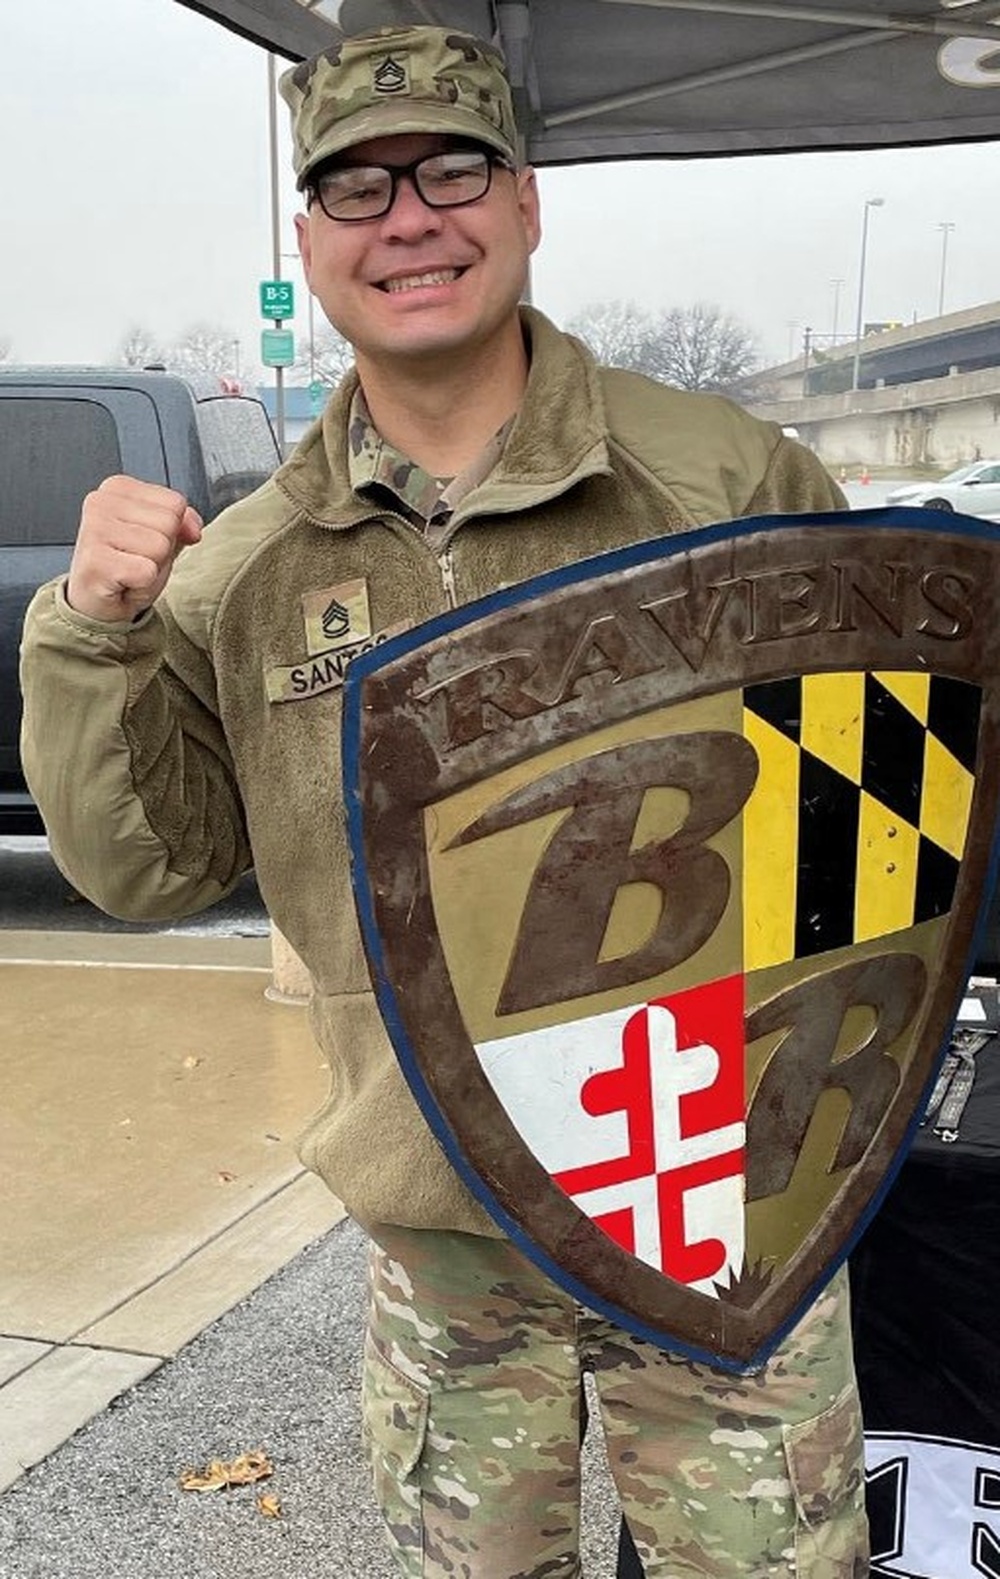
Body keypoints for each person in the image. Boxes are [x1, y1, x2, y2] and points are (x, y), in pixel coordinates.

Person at [20, 25, 868, 1578]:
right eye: (355, 187)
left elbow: (875, 823)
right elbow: (152, 872)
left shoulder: (724, 479)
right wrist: (87, 631)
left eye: (450, 169)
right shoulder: (244, 567)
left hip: (720, 1198)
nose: (408, 218)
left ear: (527, 201)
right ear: (309, 244)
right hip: (445, 1234)